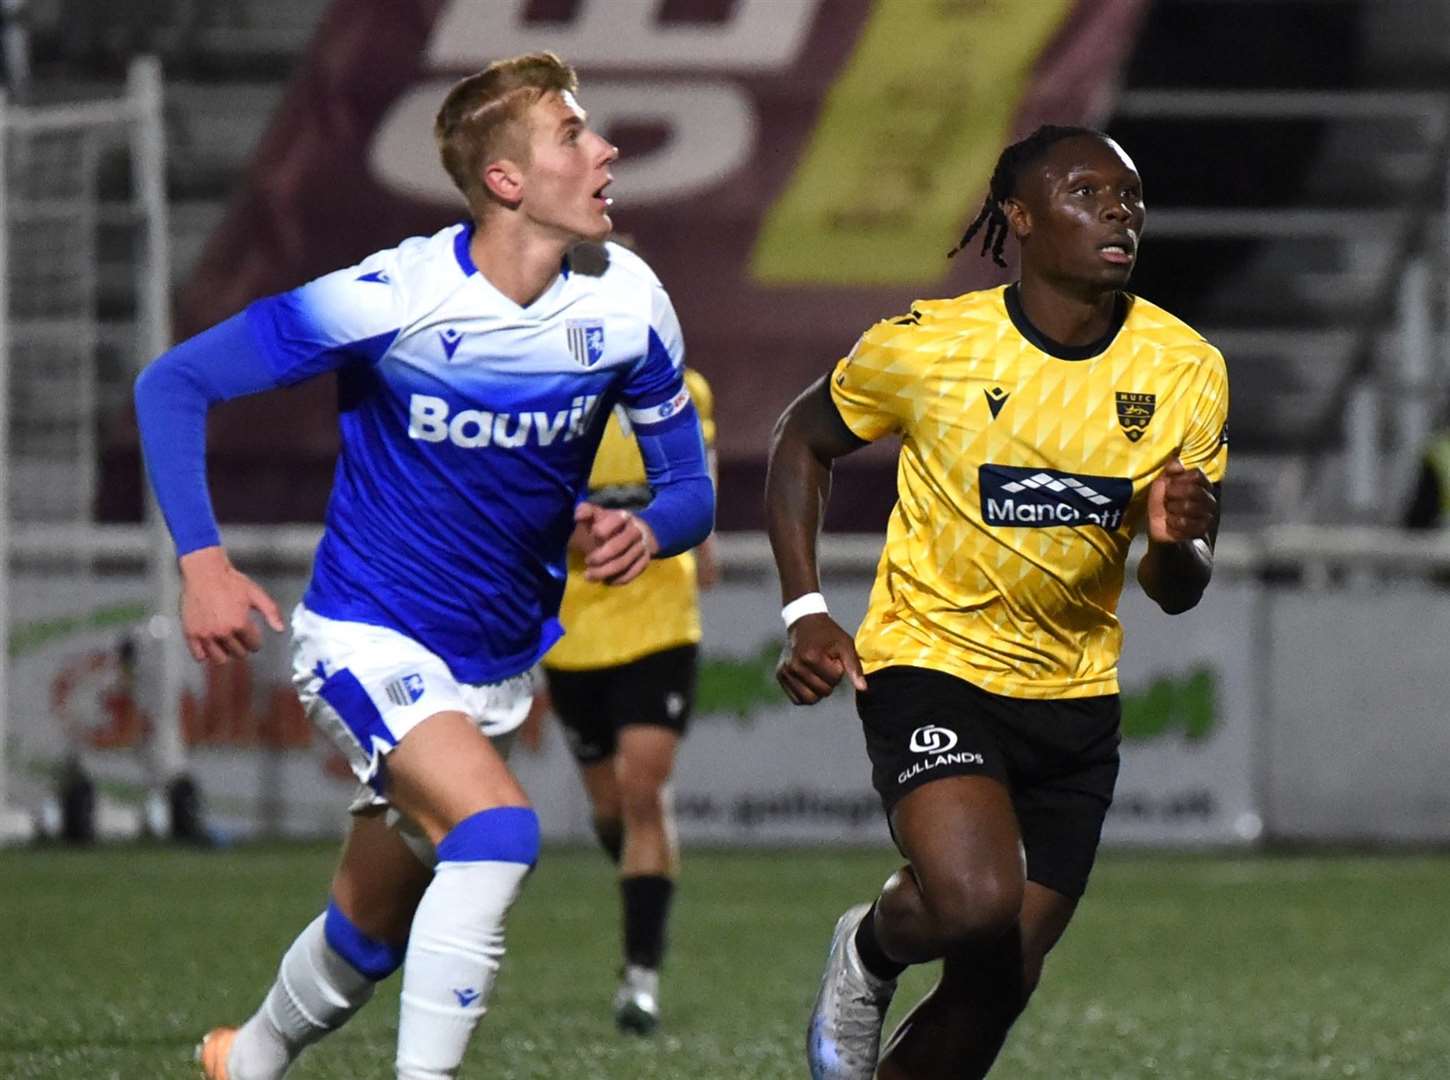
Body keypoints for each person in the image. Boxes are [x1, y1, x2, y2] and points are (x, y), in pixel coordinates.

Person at [132, 52, 713, 1080]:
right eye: (573, 135)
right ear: (505, 180)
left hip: (493, 670)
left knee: (366, 933)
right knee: (495, 830)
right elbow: (175, 384)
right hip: (365, 634)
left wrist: (653, 530)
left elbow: (691, 493)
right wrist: (204, 563)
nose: (606, 150)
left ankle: (248, 1059)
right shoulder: (391, 298)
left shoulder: (630, 303)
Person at [765, 125, 1227, 1080]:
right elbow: (800, 441)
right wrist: (803, 608)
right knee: (975, 904)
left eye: (1130, 197)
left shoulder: (1185, 369)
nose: (1117, 211)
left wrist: (1182, 544)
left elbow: (1173, 591)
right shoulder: (931, 346)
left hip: (1074, 700)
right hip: (933, 667)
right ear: (1018, 217)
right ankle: (872, 948)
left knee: (1001, 975)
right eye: (1087, 192)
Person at [537, 366, 717, 1034]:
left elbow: (700, 490)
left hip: (661, 623)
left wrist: (695, 536)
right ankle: (649, 884)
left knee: (643, 791)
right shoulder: (545, 394)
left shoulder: (683, 393)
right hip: (574, 633)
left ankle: (641, 973)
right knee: (611, 808)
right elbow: (536, 517)